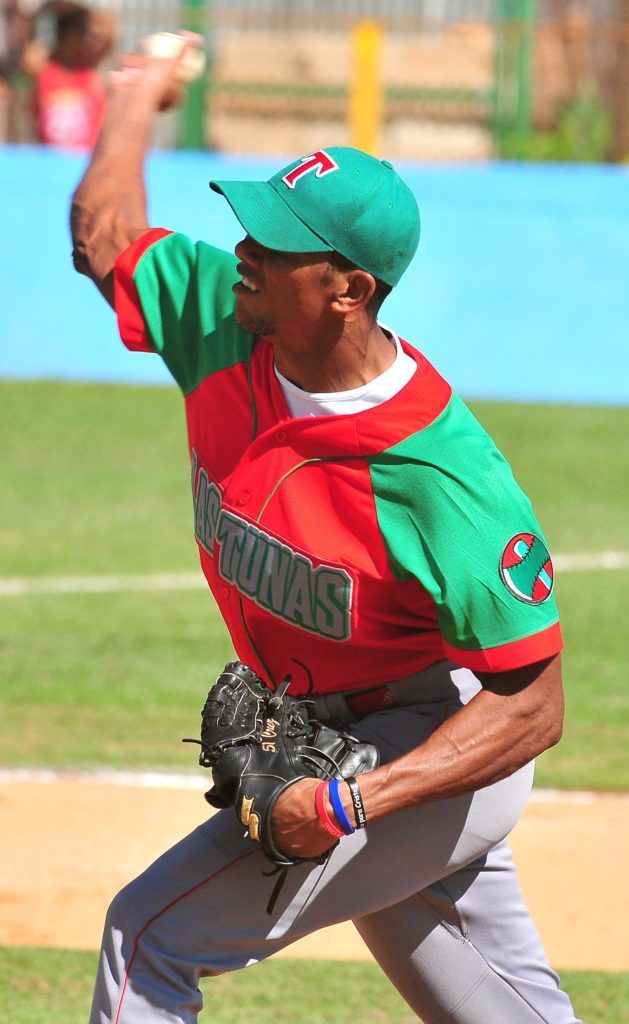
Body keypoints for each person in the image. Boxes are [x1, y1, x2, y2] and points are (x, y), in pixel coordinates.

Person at [71, 40, 582, 1024]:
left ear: (346, 289)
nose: (243, 253)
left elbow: (531, 707)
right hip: (332, 730)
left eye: (274, 244)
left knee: (149, 937)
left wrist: (348, 806)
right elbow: (106, 238)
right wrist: (137, 97)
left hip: (430, 744)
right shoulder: (225, 324)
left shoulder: (437, 474)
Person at [30, 0, 114, 148]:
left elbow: (111, 37)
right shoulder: (43, 68)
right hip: (50, 159)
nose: (87, 41)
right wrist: (45, 8)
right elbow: (27, 31)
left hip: (85, 157)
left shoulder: (89, 68)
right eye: (83, 35)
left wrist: (87, 15)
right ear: (68, 38)